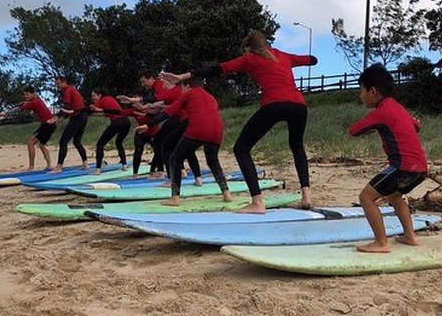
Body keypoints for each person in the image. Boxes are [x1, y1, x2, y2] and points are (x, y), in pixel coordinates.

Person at [162, 29, 317, 212]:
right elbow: (312, 60)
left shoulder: (249, 58)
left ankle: (258, 203)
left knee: (241, 149)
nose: (244, 54)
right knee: (297, 146)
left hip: (274, 104)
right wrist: (301, 60)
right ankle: (306, 196)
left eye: (244, 50)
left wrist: (182, 76)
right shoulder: (281, 55)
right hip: (299, 106)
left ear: (249, 48)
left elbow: (215, 69)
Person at [349, 63, 428, 253]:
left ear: (373, 91)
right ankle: (410, 236)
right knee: (394, 195)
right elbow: (416, 126)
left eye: (361, 91)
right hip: (421, 168)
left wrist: (377, 125)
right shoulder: (398, 108)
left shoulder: (381, 112)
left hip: (403, 167)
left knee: (366, 197)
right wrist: (382, 127)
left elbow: (353, 131)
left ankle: (381, 243)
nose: (360, 96)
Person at [137, 78, 232, 206]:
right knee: (213, 161)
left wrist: (149, 125)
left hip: (197, 128)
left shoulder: (187, 94)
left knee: (175, 159)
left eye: (182, 87)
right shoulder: (210, 96)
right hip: (217, 130)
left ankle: (175, 198)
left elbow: (168, 112)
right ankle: (226, 194)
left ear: (186, 85)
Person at [0, 85, 58, 171]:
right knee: (41, 145)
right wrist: (23, 103)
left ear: (33, 94)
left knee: (30, 142)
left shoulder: (34, 102)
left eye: (27, 94)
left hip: (47, 124)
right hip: (51, 124)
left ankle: (31, 167)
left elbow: (20, 109)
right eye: (25, 94)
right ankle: (49, 165)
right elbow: (26, 104)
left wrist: (5, 113)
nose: (26, 96)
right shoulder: (38, 100)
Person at [51, 76, 88, 174]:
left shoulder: (68, 90)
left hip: (78, 117)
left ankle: (59, 167)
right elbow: (70, 109)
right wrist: (62, 118)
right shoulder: (72, 89)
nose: (57, 86)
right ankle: (85, 163)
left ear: (64, 82)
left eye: (58, 84)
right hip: (84, 116)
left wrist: (58, 117)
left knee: (63, 141)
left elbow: (66, 106)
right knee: (76, 142)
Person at [89, 87, 130, 174]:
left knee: (100, 144)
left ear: (100, 95)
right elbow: (106, 113)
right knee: (118, 143)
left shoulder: (103, 100)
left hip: (118, 122)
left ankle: (98, 169)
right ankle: (124, 165)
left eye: (94, 96)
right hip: (126, 122)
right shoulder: (110, 98)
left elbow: (92, 109)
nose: (93, 98)